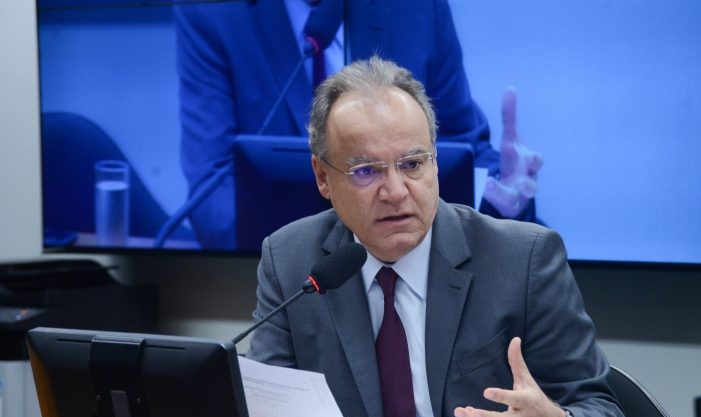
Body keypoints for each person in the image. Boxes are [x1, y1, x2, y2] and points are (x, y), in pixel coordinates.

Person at [247, 56, 628, 417]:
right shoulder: (291, 260)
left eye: (412, 164)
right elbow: (265, 412)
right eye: (366, 171)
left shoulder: (523, 259)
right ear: (322, 177)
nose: (395, 192)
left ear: (435, 162)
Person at [174, 0, 542, 249]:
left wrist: (504, 193)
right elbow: (212, 199)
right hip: (285, 289)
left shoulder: (416, 8)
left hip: (421, 279)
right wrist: (350, 248)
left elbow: (465, 153)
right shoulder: (212, 13)